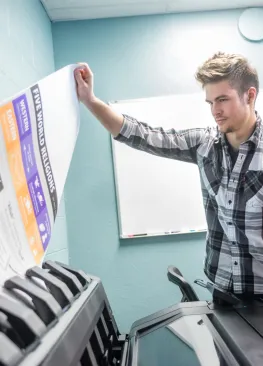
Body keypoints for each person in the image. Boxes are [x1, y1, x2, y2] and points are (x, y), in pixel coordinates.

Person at [74, 52, 263, 302]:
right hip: (221, 288)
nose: (215, 111)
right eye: (210, 103)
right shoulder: (204, 145)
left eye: (222, 100)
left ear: (250, 95)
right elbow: (143, 135)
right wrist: (90, 101)